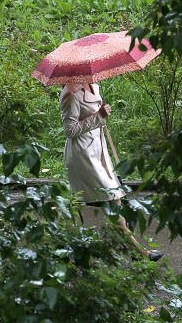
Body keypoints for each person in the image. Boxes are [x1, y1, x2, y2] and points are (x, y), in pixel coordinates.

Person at [59, 82, 162, 262]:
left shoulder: (93, 86)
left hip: (98, 151)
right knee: (113, 202)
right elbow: (70, 130)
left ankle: (67, 249)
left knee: (114, 202)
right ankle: (140, 253)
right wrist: (98, 116)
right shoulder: (70, 94)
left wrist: (100, 113)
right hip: (84, 157)